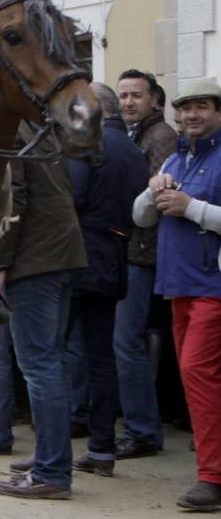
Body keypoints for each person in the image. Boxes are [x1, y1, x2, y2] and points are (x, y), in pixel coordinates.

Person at [133, 76, 221, 512]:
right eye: (185, 108)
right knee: (197, 380)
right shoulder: (177, 158)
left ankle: (212, 478)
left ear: (218, 112)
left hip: (213, 289)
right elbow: (141, 217)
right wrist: (154, 193)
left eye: (201, 106)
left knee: (198, 377)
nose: (191, 115)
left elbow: (194, 212)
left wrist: (192, 208)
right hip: (178, 288)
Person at [0, 121, 87, 500]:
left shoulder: (11, 131)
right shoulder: (41, 130)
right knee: (52, 364)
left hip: (34, 261)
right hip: (62, 255)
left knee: (41, 365)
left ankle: (51, 471)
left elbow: (13, 197)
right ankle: (51, 461)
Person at [63, 84, 148, 477]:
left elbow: (72, 197)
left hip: (76, 256)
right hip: (115, 255)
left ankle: (53, 453)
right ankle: (101, 449)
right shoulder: (133, 148)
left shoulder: (86, 139)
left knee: (52, 355)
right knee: (101, 358)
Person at [113, 69, 178, 458]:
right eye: (122, 96)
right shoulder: (136, 135)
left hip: (142, 255)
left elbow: (154, 198)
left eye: (136, 95)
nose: (128, 103)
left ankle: (142, 430)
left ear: (155, 100)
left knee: (127, 342)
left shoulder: (161, 137)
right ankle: (139, 424)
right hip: (133, 253)